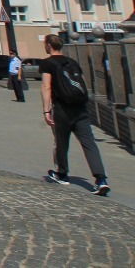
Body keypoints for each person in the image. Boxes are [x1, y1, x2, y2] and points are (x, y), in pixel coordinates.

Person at [41, 34, 109, 195]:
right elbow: (83, 83)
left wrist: (46, 110)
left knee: (61, 142)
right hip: (80, 107)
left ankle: (62, 174)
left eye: (45, 44)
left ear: (49, 45)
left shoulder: (47, 63)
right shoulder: (72, 62)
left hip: (62, 108)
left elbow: (46, 87)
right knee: (89, 142)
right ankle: (101, 179)